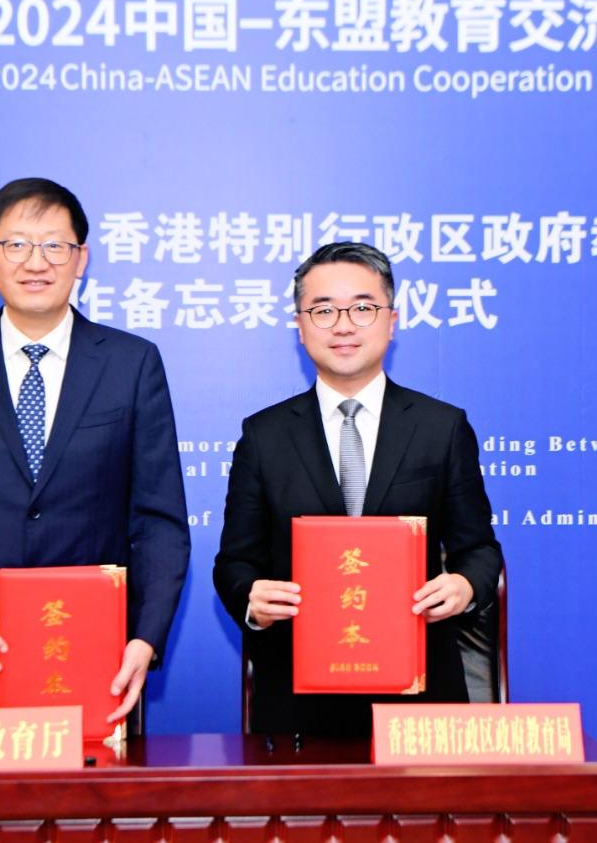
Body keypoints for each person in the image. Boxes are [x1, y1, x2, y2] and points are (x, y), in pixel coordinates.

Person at [0, 178, 189, 720]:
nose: (35, 262)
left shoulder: (131, 364)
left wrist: (145, 638)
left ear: (81, 258)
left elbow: (160, 519)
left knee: (88, 809)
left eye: (54, 246)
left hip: (94, 661)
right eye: (16, 244)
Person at [213, 242, 502, 737]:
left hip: (419, 695)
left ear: (391, 321)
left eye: (363, 308)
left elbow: (479, 549)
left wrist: (464, 585)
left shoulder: (441, 427)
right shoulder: (264, 436)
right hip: (299, 700)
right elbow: (235, 563)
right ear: (300, 327)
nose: (343, 325)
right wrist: (252, 600)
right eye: (323, 310)